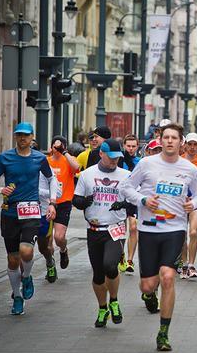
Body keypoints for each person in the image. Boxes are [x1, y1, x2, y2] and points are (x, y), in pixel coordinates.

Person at [121, 123, 197, 351]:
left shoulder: (189, 169)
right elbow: (126, 188)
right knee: (148, 286)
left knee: (168, 276)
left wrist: (193, 203)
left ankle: (163, 333)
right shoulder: (147, 164)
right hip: (148, 230)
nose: (169, 141)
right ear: (161, 141)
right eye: (166, 137)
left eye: (174, 138)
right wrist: (143, 200)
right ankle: (150, 296)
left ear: (181, 142)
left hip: (174, 230)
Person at [0, 122, 58, 315]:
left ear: (32, 137)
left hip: (31, 210)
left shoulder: (39, 158)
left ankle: (27, 276)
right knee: (13, 259)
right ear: (16, 137)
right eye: (19, 135)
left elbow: (51, 178)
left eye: (26, 135)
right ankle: (17, 297)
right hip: (10, 212)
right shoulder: (5, 158)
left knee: (27, 251)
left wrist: (52, 202)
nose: (22, 138)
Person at [72, 139, 131, 327]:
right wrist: (83, 202)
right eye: (111, 158)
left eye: (117, 158)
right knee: (98, 274)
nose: (115, 161)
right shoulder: (87, 175)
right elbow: (76, 199)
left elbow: (137, 200)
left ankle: (114, 300)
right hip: (94, 229)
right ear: (101, 154)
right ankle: (102, 307)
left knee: (110, 266)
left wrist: (124, 204)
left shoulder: (126, 175)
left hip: (115, 228)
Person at [47, 136, 80, 272]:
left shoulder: (68, 161)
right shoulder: (46, 161)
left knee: (59, 237)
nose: (57, 150)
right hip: (47, 203)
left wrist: (65, 152)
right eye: (55, 146)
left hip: (63, 203)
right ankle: (50, 266)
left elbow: (77, 167)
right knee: (47, 243)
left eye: (60, 147)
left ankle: (63, 249)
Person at [179, 132, 197, 278]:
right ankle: (183, 265)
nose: (192, 147)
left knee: (193, 232)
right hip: (181, 201)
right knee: (182, 234)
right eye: (189, 144)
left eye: (195, 144)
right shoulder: (179, 160)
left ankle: (191, 265)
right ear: (185, 145)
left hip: (196, 201)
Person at [119, 134, 141, 274]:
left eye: (133, 146)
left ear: (137, 146)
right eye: (128, 146)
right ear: (124, 146)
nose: (131, 149)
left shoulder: (140, 161)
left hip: (133, 198)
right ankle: (121, 256)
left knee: (133, 227)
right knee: (121, 229)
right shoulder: (119, 159)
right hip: (120, 198)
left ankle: (130, 260)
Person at [37, 168, 62, 283]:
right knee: (23, 248)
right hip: (24, 214)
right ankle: (23, 278)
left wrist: (36, 191)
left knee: (42, 247)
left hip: (43, 214)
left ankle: (49, 262)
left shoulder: (46, 169)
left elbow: (58, 192)